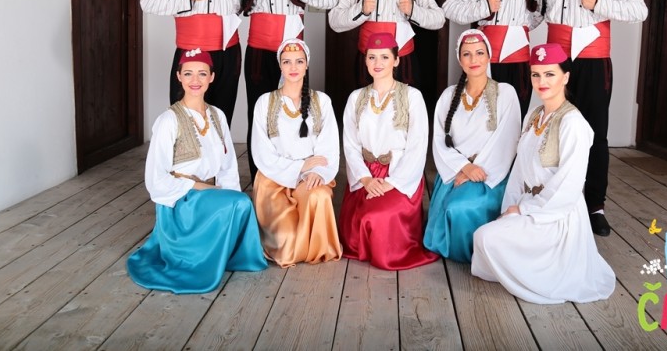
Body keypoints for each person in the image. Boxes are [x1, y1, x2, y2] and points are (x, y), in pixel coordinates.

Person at [471, 43, 616, 303]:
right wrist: (511, 208)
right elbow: (518, 172)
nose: (541, 82)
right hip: (527, 204)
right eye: (536, 74)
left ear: (566, 77)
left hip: (556, 214)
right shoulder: (534, 115)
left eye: (550, 74)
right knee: (483, 238)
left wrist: (525, 210)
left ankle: (544, 268)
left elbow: (569, 186)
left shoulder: (573, 123)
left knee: (485, 237)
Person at [538, 0, 648, 236]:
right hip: (556, 63)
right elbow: (535, 15)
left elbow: (639, 10)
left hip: (594, 61)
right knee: (554, 129)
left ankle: (594, 206)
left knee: (594, 134)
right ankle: (556, 198)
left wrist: (600, 3)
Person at [127, 48, 267, 294]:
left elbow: (227, 165)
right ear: (178, 77)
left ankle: (226, 254)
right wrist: (198, 186)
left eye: (202, 74)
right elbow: (155, 179)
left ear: (211, 77)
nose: (195, 80)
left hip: (209, 193)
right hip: (182, 198)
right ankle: (198, 259)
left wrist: (228, 193)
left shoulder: (217, 115)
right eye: (188, 73)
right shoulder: (168, 120)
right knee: (239, 203)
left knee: (240, 202)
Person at [241, 0, 338, 181]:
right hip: (258, 50)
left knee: (296, 111)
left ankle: (297, 174)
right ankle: (260, 180)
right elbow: (232, 4)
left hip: (292, 53)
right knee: (259, 113)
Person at [339, 32, 439, 270]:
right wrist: (365, 179)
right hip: (365, 175)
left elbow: (417, 146)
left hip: (399, 175)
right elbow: (350, 145)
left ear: (396, 60)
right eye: (372, 57)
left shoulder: (412, 96)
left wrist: (391, 183)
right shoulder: (356, 98)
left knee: (376, 217)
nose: (378, 63)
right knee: (356, 224)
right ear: (365, 61)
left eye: (384, 57)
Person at [423, 29, 521, 263]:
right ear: (459, 59)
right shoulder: (449, 96)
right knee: (450, 207)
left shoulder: (505, 93)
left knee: (460, 207)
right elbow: (439, 140)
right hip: (455, 173)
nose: (473, 59)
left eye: (479, 52)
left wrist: (475, 170)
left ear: (489, 56)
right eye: (466, 54)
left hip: (489, 175)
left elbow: (507, 141)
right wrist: (464, 168)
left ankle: (479, 254)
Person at [250, 39, 342, 267]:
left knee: (319, 195)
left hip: (310, 176)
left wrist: (316, 171)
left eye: (299, 61)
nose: (293, 67)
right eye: (287, 62)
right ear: (280, 66)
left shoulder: (321, 101)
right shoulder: (265, 102)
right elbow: (261, 153)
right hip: (273, 181)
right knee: (287, 242)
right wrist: (301, 165)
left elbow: (329, 147)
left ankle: (319, 249)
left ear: (307, 64)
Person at [443, 0, 542, 115]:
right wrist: (484, 7)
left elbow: (542, 12)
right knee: (485, 112)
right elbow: (449, 8)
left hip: (520, 61)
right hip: (487, 59)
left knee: (516, 112)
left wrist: (519, 30)